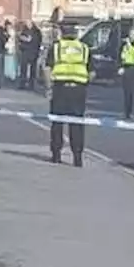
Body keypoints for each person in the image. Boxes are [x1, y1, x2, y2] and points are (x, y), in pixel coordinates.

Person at [45, 21, 91, 166]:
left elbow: (47, 69)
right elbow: (92, 71)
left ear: (62, 32)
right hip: (78, 90)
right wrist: (84, 81)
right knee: (77, 124)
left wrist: (48, 88)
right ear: (76, 33)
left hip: (60, 89)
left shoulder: (56, 47)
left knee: (57, 122)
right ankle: (77, 157)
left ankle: (56, 155)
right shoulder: (84, 48)